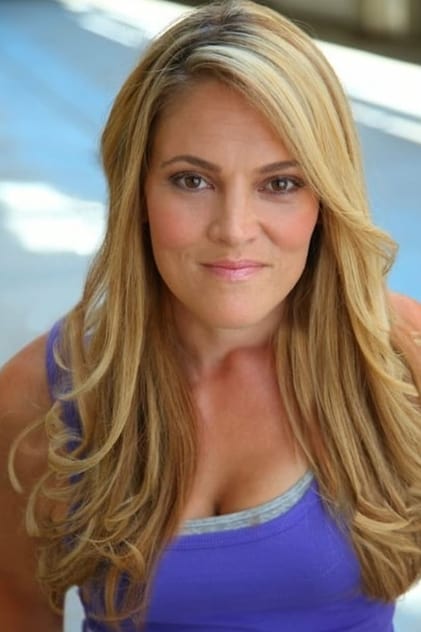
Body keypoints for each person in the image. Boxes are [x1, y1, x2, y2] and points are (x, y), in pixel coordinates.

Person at [1, 1, 420, 630]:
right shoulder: (40, 396)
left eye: (280, 184)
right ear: (137, 190)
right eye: (192, 181)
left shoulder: (400, 356)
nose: (234, 229)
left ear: (326, 199)